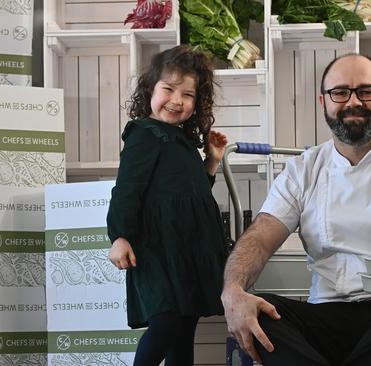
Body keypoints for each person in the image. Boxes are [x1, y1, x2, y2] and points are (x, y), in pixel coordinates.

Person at [221, 53, 371, 366]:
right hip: (327, 316)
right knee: (257, 310)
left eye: (366, 91)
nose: (353, 102)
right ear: (322, 102)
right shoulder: (302, 170)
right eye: (340, 92)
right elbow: (260, 237)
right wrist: (233, 290)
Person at [107, 45, 229, 366]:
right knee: (166, 322)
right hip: (158, 249)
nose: (176, 100)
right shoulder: (145, 134)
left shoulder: (184, 141)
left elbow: (195, 194)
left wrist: (212, 163)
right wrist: (119, 236)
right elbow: (126, 190)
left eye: (187, 95)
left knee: (185, 326)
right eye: (169, 89)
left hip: (188, 247)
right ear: (150, 89)